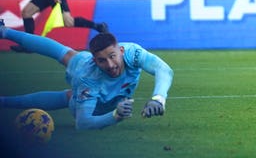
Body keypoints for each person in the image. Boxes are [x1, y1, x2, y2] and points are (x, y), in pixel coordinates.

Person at [0, 24, 173, 130]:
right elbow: (83, 123)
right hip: (86, 78)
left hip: (89, 68)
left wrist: (158, 99)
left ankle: (5, 32)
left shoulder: (133, 53)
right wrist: (115, 116)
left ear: (121, 50)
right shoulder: (88, 77)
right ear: (95, 60)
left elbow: (164, 69)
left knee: (67, 55)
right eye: (102, 60)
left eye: (113, 57)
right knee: (72, 98)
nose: (111, 65)